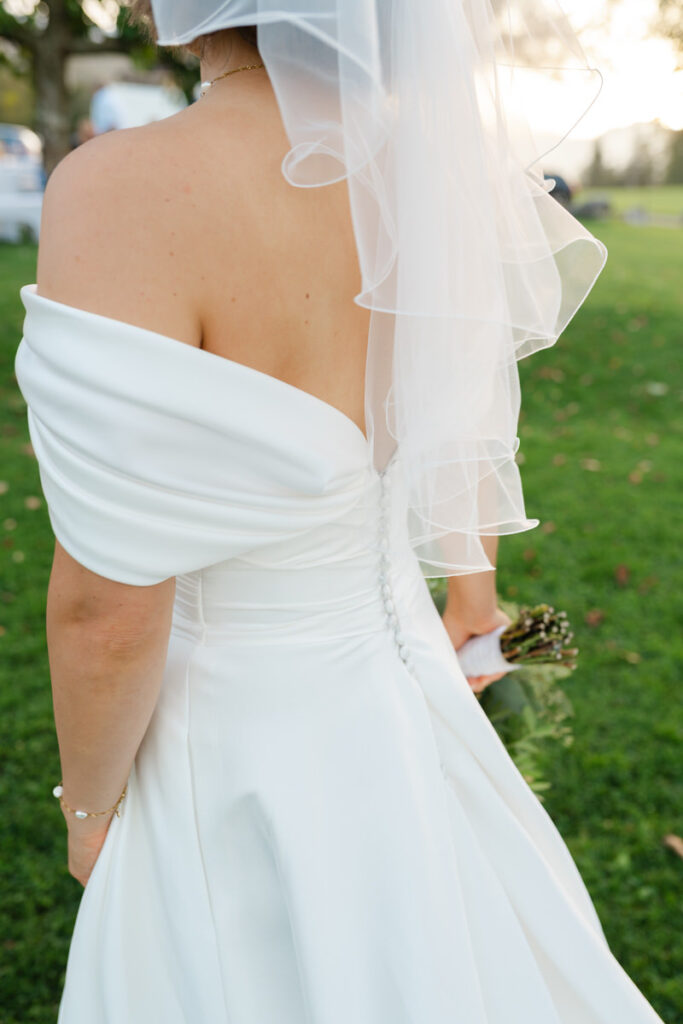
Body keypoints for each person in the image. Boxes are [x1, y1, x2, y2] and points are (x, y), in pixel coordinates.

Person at [14, 2, 666, 1021]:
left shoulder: (122, 186)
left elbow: (109, 604)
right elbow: (455, 413)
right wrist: (472, 588)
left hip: (233, 725)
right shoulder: (431, 176)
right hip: (402, 678)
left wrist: (90, 810)